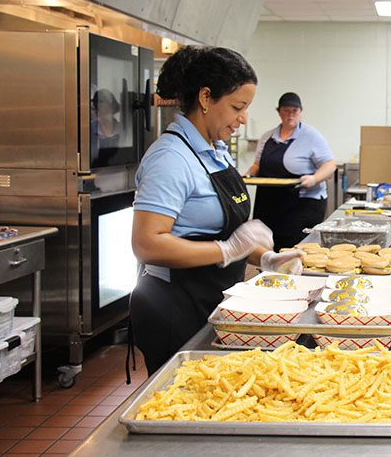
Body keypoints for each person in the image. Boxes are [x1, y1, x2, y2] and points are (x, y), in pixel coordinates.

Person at [130, 46, 302, 374]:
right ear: (206, 98)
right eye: (238, 107)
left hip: (211, 300)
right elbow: (147, 244)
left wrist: (262, 256)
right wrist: (226, 250)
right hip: (174, 307)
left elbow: (221, 234)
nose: (244, 119)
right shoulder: (171, 158)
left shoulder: (214, 152)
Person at [247, 92, 336, 250]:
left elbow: (330, 164)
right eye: (286, 110)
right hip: (269, 203)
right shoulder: (268, 137)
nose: (290, 115)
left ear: (300, 111)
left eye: (294, 111)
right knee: (267, 246)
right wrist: (247, 176)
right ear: (279, 112)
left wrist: (314, 179)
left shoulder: (311, 135)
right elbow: (257, 165)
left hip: (302, 203)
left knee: (294, 248)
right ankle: (269, 273)